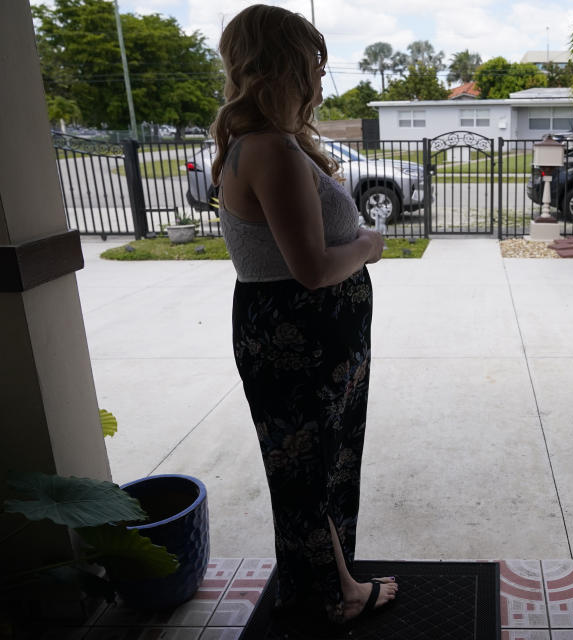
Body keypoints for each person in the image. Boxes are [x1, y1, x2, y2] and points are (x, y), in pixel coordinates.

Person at [210, 4, 398, 634]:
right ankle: (334, 595)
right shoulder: (272, 150)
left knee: (311, 464)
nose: (320, 79)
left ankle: (325, 584)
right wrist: (370, 244)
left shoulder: (259, 144)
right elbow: (313, 269)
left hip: (303, 333)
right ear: (284, 67)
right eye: (313, 65)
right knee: (310, 467)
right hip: (303, 336)